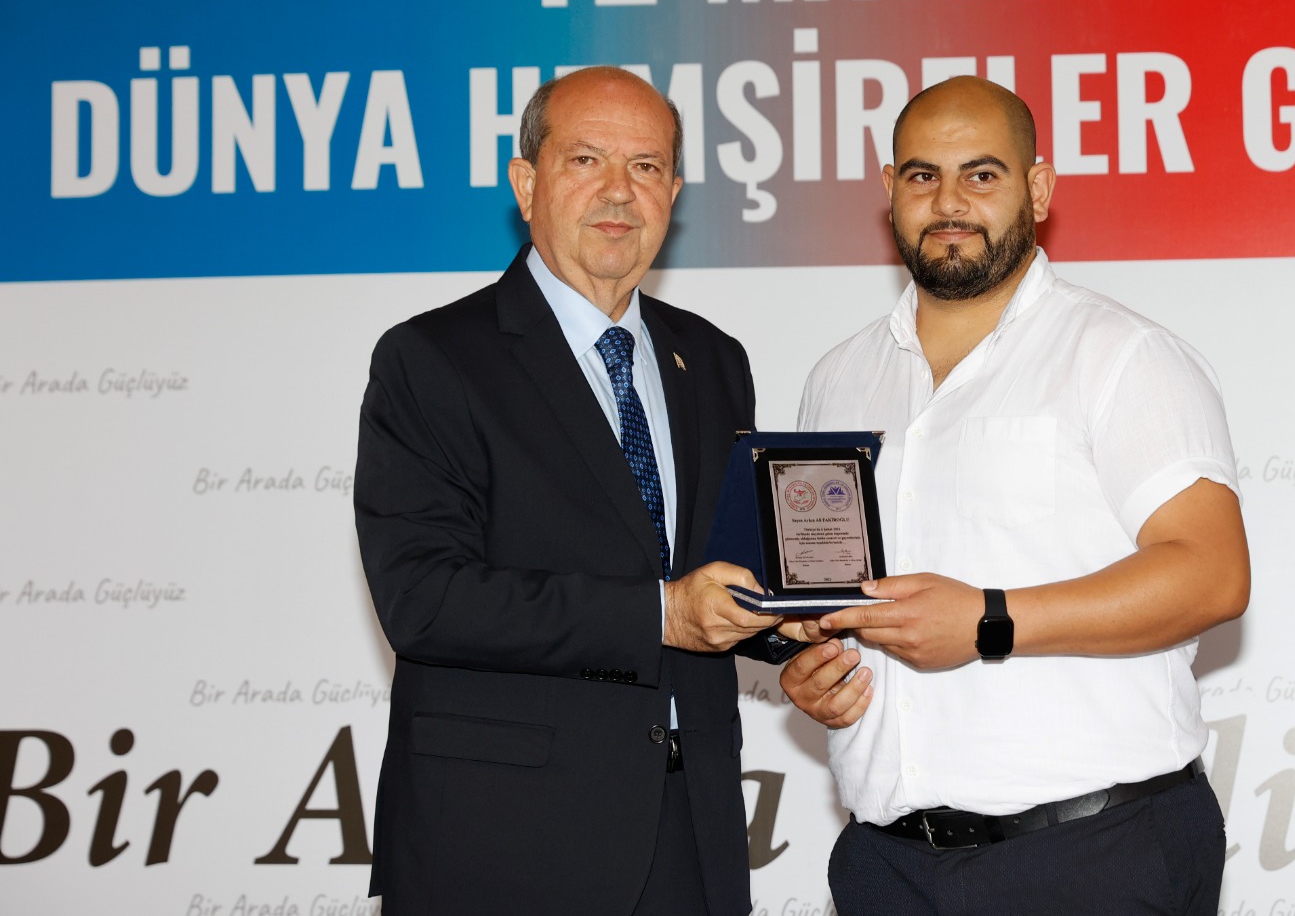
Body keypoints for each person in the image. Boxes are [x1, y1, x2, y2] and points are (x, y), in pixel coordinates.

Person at [779, 76, 1250, 915]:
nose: (949, 203)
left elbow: (1211, 575)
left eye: (982, 175)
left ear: (1037, 188)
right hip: (884, 868)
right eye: (923, 176)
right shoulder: (836, 379)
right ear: (889, 191)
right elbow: (831, 596)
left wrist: (988, 620)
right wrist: (814, 671)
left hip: (1092, 858)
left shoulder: (1122, 355)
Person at [355, 66, 785, 916]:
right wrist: (658, 614)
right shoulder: (432, 359)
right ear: (526, 184)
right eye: (586, 160)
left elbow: (718, 571)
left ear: (674, 193)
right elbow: (424, 600)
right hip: (504, 845)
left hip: (691, 834)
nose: (619, 190)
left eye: (647, 166)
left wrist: (795, 640)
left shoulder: (712, 360)